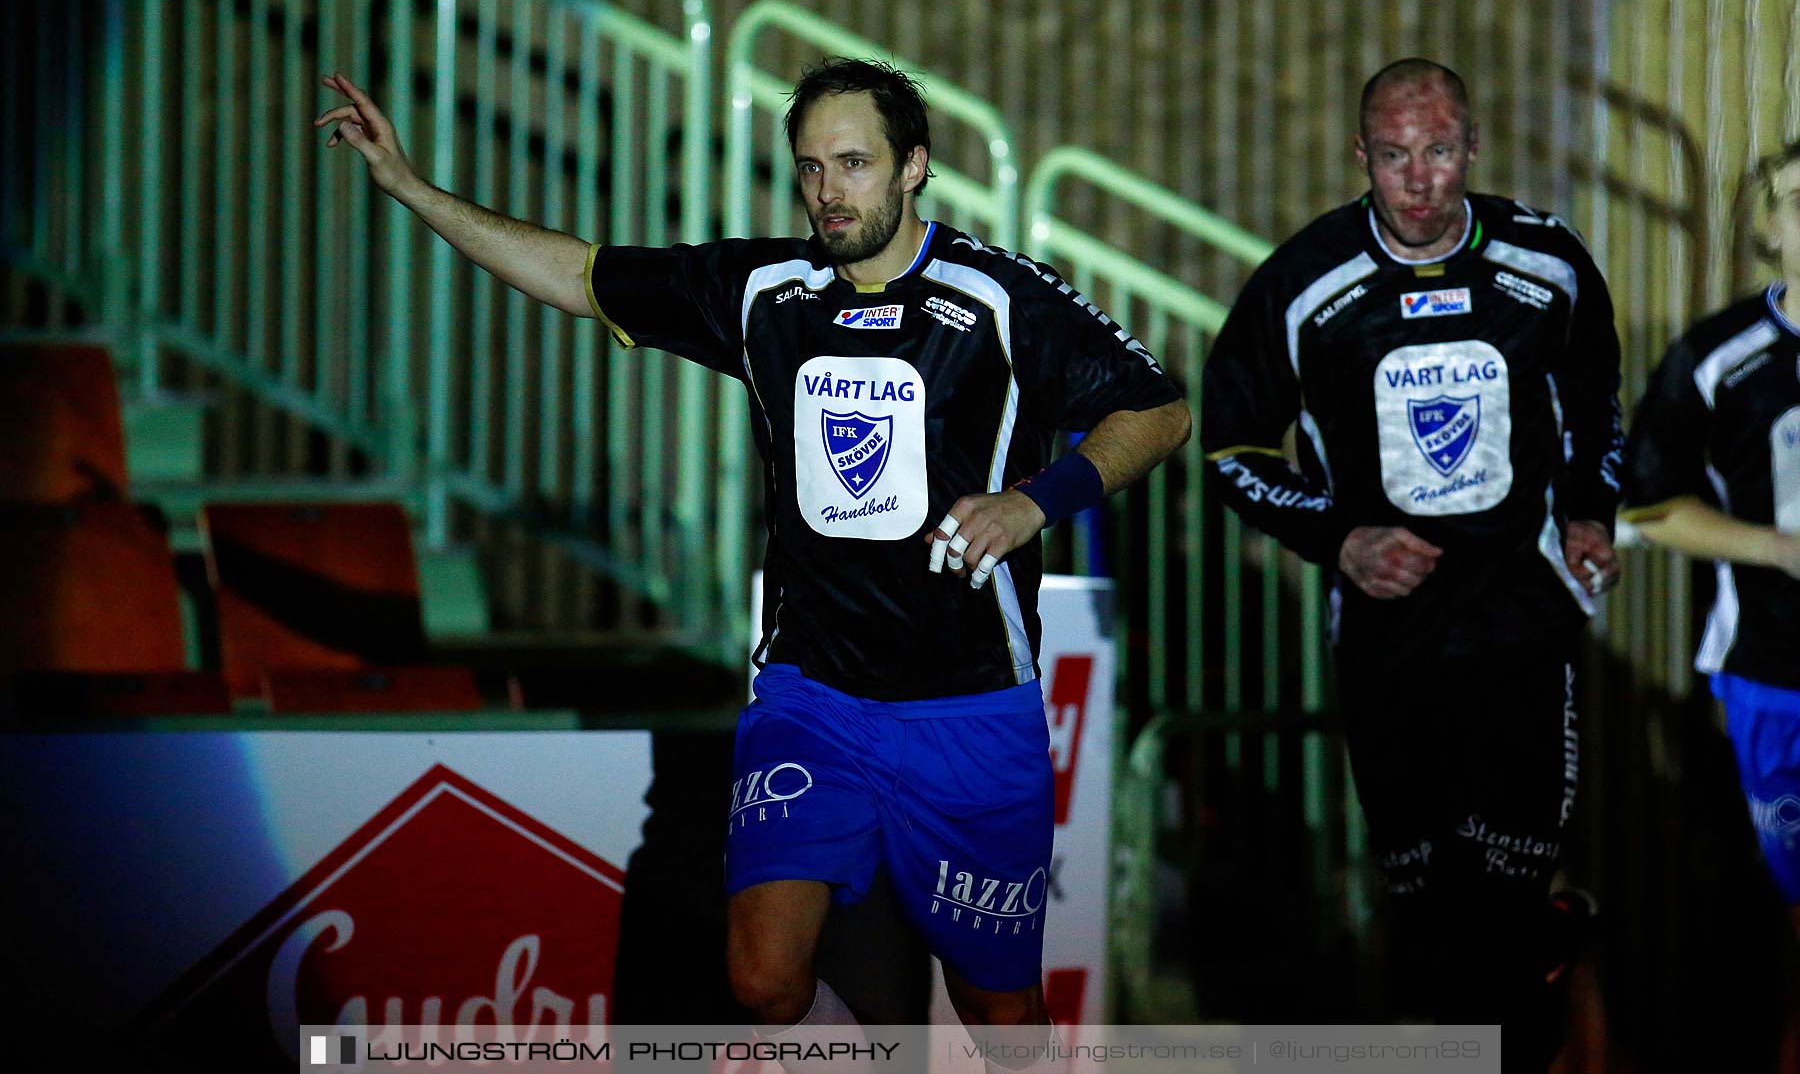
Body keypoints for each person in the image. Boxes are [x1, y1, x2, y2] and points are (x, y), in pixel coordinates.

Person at [314, 59, 1190, 1058]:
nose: (829, 193)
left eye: (854, 164)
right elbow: (576, 273)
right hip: (811, 698)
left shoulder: (997, 298)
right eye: (810, 168)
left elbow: (1159, 409)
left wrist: (1036, 502)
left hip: (970, 709)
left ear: (915, 167)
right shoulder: (768, 291)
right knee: (763, 983)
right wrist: (414, 190)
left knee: (999, 1017)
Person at [1199, 58, 1622, 1064]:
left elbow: (1599, 403)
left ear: (1472, 148)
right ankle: (1553, 934)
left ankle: (1531, 946)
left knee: (1493, 913)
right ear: (1362, 158)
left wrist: (1588, 513)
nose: (1421, 180)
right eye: (1396, 156)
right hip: (1388, 645)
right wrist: (1339, 538)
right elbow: (1231, 449)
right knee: (1437, 927)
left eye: (1439, 152)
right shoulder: (1302, 286)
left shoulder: (1547, 262)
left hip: (1523, 626)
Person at [1622, 142, 1800, 932]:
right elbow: (1646, 503)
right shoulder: (1718, 357)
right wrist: (1776, 548)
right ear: (1770, 228)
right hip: (1772, 663)